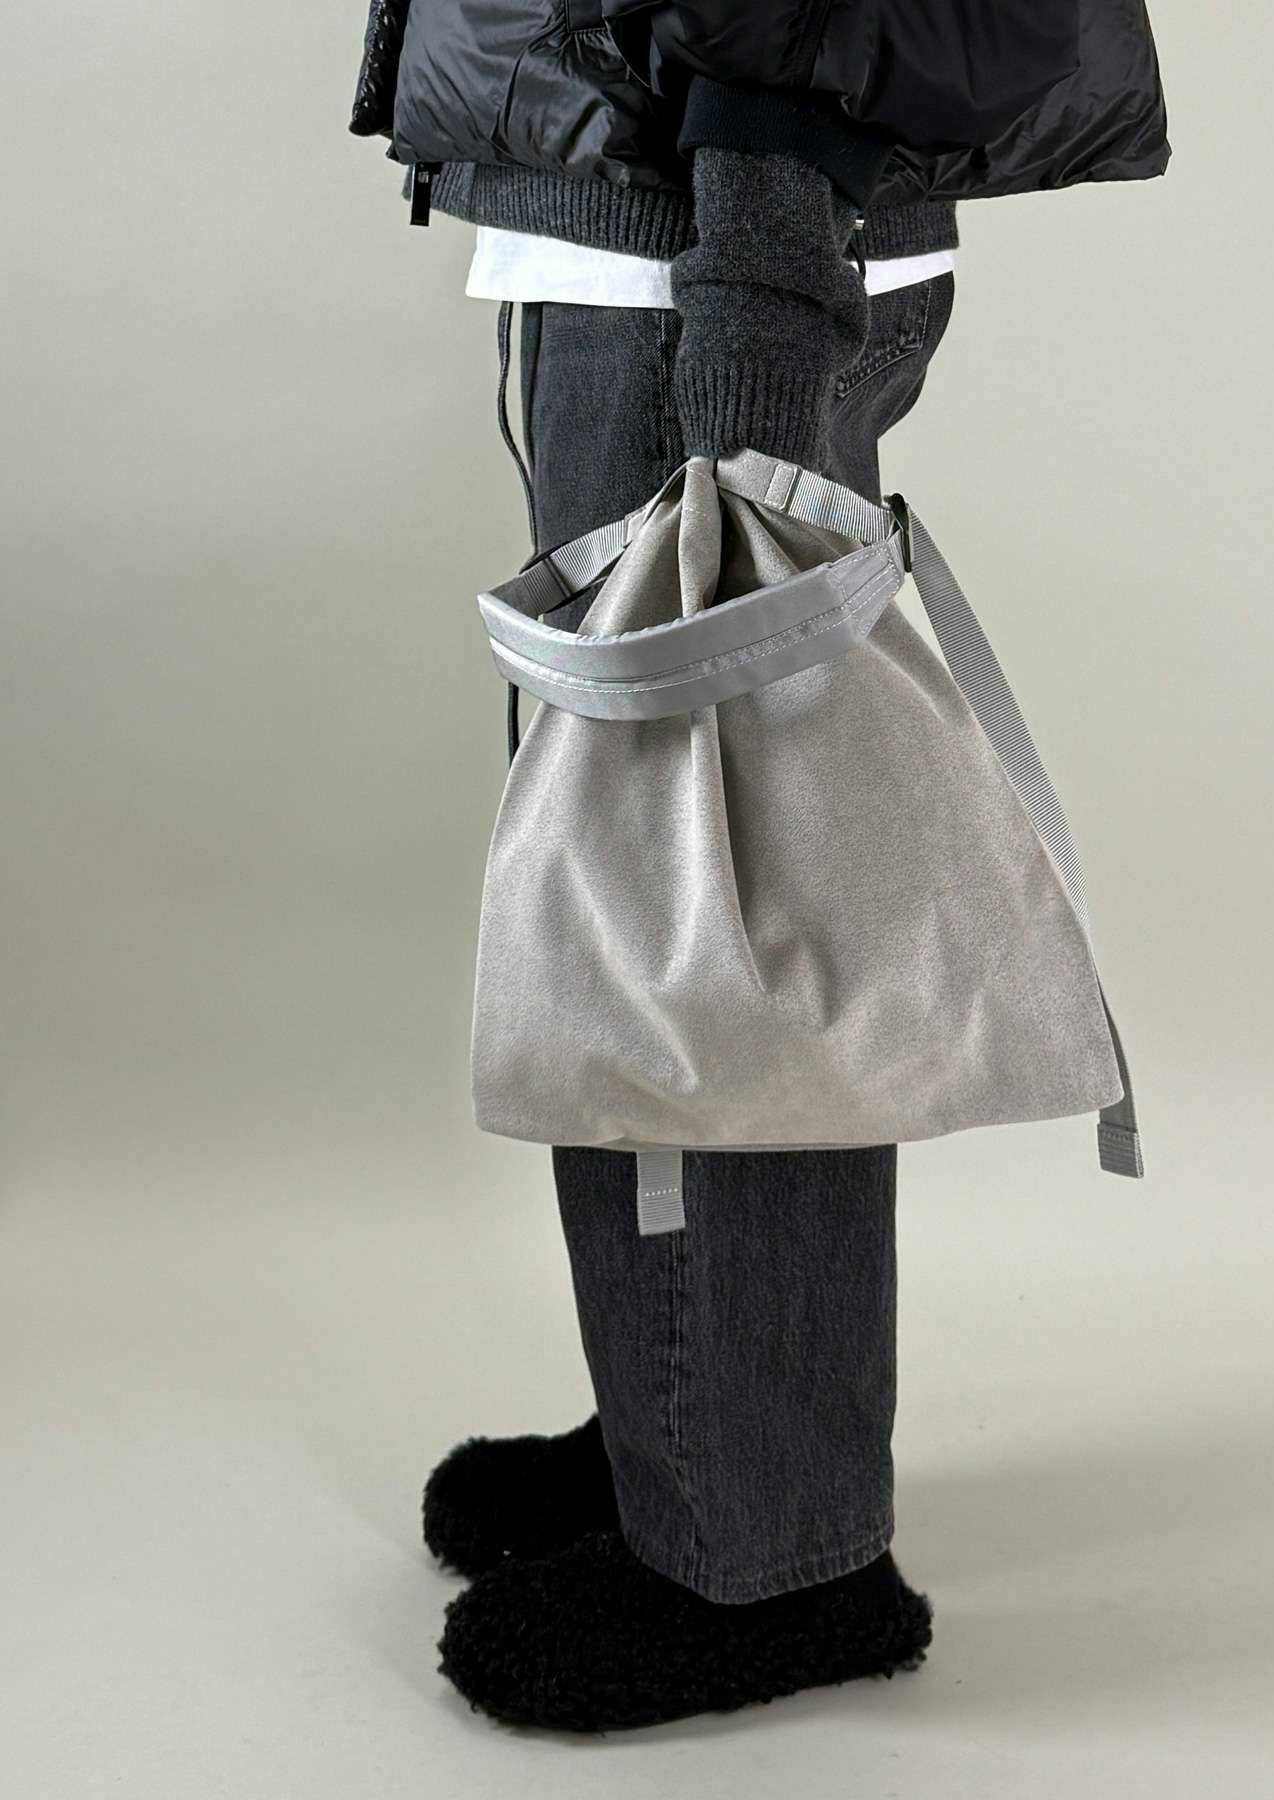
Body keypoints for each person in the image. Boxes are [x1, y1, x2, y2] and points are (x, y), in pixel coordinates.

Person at [349, 0, 1168, 1733]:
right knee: (631, 896)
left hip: (717, 243)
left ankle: (769, 1557)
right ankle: (693, 1427)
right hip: (665, 227)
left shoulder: (732, 252)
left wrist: (755, 294)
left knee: (721, 909)